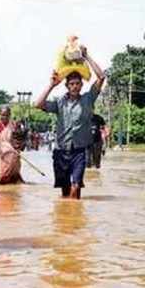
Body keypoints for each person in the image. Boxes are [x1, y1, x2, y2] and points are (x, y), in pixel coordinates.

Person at [35, 45, 105, 199]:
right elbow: (38, 104)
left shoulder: (88, 99)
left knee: (76, 185)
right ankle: (68, 219)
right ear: (67, 86)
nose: (74, 86)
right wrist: (51, 85)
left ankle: (75, 217)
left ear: (81, 85)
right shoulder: (59, 102)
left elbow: (101, 77)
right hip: (61, 151)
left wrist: (87, 56)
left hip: (79, 151)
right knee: (65, 192)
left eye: (77, 83)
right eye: (71, 84)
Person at [0, 106, 26, 184]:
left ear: (10, 115)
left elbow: (20, 140)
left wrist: (17, 147)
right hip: (2, 153)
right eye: (2, 115)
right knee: (2, 175)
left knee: (14, 174)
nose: (4, 117)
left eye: (6, 115)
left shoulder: (14, 125)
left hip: (13, 153)